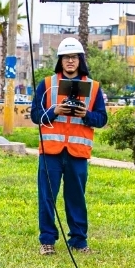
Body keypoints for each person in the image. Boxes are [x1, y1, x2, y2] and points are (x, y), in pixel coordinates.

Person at [31, 38, 107, 256]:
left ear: (80, 60)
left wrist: (86, 115)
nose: (70, 61)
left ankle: (79, 240)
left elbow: (102, 119)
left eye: (74, 57)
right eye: (66, 57)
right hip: (51, 152)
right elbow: (36, 116)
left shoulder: (93, 87)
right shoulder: (46, 85)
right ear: (60, 60)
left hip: (77, 153)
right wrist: (55, 110)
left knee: (76, 197)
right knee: (47, 197)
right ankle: (47, 240)